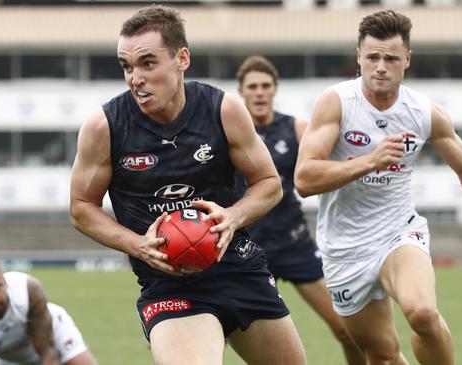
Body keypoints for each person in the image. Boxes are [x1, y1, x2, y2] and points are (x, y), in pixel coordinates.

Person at [69, 5, 306, 365]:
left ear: (182, 58)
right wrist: (138, 245)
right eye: (127, 67)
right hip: (168, 284)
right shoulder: (105, 126)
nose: (135, 78)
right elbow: (81, 208)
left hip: (238, 267)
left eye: (148, 64)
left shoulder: (223, 110)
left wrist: (233, 216)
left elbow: (269, 183)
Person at [294, 10, 462, 365]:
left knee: (422, 314)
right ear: (359, 57)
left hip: (398, 232)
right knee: (383, 356)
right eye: (372, 57)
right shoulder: (336, 103)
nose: (381, 66)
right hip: (344, 247)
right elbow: (304, 179)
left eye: (390, 58)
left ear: (407, 60)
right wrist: (369, 161)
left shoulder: (423, 112)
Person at [234, 55, 364, 365]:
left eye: (266, 86)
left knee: (347, 328)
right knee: (222, 332)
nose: (260, 92)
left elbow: (327, 168)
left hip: (295, 245)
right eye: (253, 86)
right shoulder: (230, 132)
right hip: (248, 247)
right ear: (241, 92)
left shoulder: (296, 129)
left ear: (275, 90)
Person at [0, 257, 97, 365]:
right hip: (12, 360)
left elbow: (48, 353)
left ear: (5, 283)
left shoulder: (28, 291)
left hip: (55, 336)